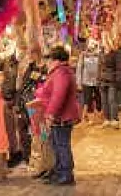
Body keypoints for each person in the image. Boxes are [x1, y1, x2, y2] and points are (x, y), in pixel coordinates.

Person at [42, 46, 80, 186]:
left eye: (49, 59)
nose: (47, 62)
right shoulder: (60, 72)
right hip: (60, 116)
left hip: (62, 117)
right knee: (57, 145)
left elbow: (58, 95)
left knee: (62, 145)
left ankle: (66, 174)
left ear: (55, 60)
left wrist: (51, 114)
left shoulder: (61, 73)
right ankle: (59, 172)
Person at [75, 41, 103, 124]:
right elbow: (79, 69)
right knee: (88, 100)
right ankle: (90, 118)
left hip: (98, 80)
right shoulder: (83, 56)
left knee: (99, 99)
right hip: (86, 81)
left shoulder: (100, 56)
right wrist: (79, 82)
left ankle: (99, 116)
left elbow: (101, 67)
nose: (92, 49)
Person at [99, 44, 121, 128]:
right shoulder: (101, 52)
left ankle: (114, 119)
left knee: (112, 100)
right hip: (102, 80)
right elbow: (99, 66)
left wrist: (117, 79)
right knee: (104, 101)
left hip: (112, 80)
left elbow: (120, 67)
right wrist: (98, 78)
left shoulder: (116, 53)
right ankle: (107, 119)